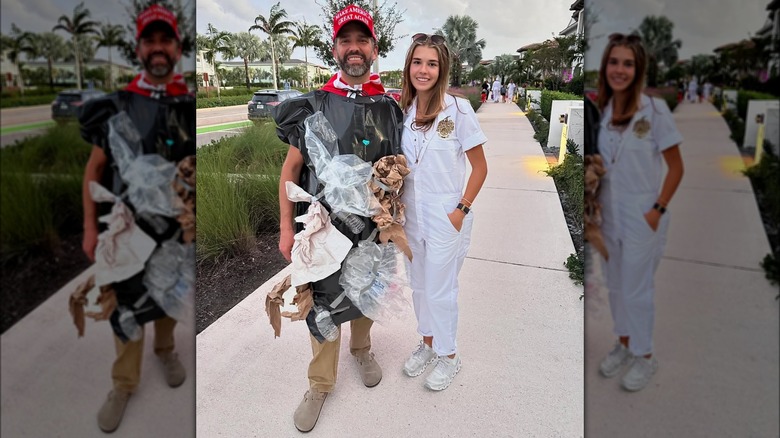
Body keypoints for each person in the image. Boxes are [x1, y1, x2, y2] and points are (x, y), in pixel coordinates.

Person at [273, 4, 403, 432]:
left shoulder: (388, 106)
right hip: (325, 228)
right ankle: (320, 383)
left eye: (361, 40)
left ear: (373, 47)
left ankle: (362, 349)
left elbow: (399, 168)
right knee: (322, 305)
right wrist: (285, 227)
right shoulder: (314, 104)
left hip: (372, 226)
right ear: (335, 47)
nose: (354, 48)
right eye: (345, 40)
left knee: (367, 290)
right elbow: (291, 171)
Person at [78, 4, 195, 433]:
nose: (158, 48)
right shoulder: (118, 105)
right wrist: (91, 227)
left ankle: (165, 350)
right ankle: (124, 382)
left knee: (167, 294)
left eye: (166, 40)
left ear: (177, 47)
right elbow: (94, 170)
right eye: (151, 40)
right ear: (139, 48)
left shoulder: (188, 103)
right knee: (124, 304)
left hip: (174, 233)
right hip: (126, 230)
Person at [397, 32, 488, 391]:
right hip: (411, 215)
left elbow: (480, 167)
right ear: (409, 67)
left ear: (442, 68)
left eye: (431, 63)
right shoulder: (403, 111)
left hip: (446, 215)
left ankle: (449, 355)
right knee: (418, 286)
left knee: (440, 289)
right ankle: (428, 343)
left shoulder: (458, 110)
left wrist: (460, 210)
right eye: (417, 62)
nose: (424, 70)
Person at [595, 33, 684, 392]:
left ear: (638, 69)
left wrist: (657, 209)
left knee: (637, 288)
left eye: (628, 63)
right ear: (606, 67)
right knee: (615, 285)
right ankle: (625, 343)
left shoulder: (654, 111)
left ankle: (645, 356)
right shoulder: (602, 111)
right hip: (608, 215)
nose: (620, 69)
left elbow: (676, 167)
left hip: (642, 213)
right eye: (614, 62)